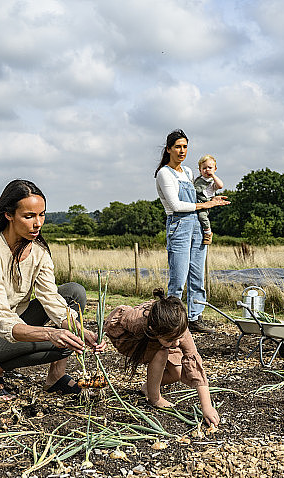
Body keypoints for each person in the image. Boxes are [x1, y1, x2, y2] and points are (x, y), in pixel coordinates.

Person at [0, 179, 105, 400]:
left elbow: (52, 300)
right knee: (63, 344)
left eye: (42, 215)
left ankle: (56, 377)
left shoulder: (39, 253)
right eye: (29, 216)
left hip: (13, 322)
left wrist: (81, 331)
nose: (38, 223)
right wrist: (50, 333)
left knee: (73, 292)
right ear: (9, 215)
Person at [104, 288, 220, 427]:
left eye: (180, 337)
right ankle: (154, 398)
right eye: (172, 339)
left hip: (160, 337)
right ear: (154, 330)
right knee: (161, 352)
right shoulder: (136, 320)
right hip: (136, 340)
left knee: (177, 373)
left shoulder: (179, 328)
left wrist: (206, 407)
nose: (177, 343)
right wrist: (100, 338)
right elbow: (116, 317)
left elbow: (194, 362)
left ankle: (147, 387)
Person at [154, 129, 229, 334]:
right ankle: (172, 322)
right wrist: (206, 206)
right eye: (178, 146)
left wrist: (210, 212)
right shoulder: (164, 173)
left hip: (196, 225)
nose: (182, 151)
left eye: (185, 146)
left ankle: (194, 318)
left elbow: (202, 196)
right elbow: (177, 205)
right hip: (179, 225)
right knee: (178, 277)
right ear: (168, 149)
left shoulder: (187, 172)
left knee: (197, 275)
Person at [194, 154, 224, 246]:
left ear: (215, 169)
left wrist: (213, 176)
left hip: (206, 203)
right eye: (204, 168)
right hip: (195, 201)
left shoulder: (212, 182)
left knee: (203, 216)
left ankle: (208, 232)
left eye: (210, 168)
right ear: (200, 170)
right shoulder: (198, 179)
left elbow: (220, 186)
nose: (207, 170)